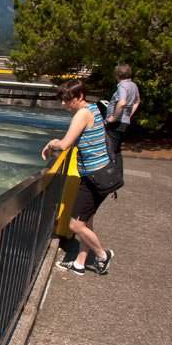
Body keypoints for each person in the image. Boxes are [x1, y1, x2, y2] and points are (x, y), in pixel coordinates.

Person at [42, 80, 114, 276]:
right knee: (87, 221)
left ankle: (102, 255)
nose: (64, 104)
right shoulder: (94, 108)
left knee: (75, 224)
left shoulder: (82, 113)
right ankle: (80, 263)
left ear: (79, 97)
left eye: (67, 100)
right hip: (101, 174)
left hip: (94, 177)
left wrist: (51, 143)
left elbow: (65, 144)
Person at [105, 64, 140, 176]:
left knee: (110, 149)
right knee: (117, 150)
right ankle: (118, 175)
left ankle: (110, 178)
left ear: (117, 75)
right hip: (124, 122)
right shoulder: (133, 85)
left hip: (116, 123)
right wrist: (128, 115)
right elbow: (137, 101)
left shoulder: (123, 86)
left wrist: (113, 118)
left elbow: (122, 102)